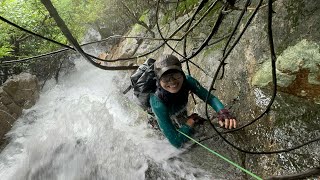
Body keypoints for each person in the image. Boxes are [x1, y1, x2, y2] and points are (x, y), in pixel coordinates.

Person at [149, 54, 237, 148]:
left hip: (179, 112)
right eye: (166, 78)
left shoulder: (188, 81)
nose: (172, 82)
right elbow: (176, 142)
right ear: (158, 80)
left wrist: (222, 112)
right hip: (159, 122)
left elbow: (210, 99)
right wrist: (190, 123)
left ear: (182, 73)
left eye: (176, 75)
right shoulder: (157, 102)